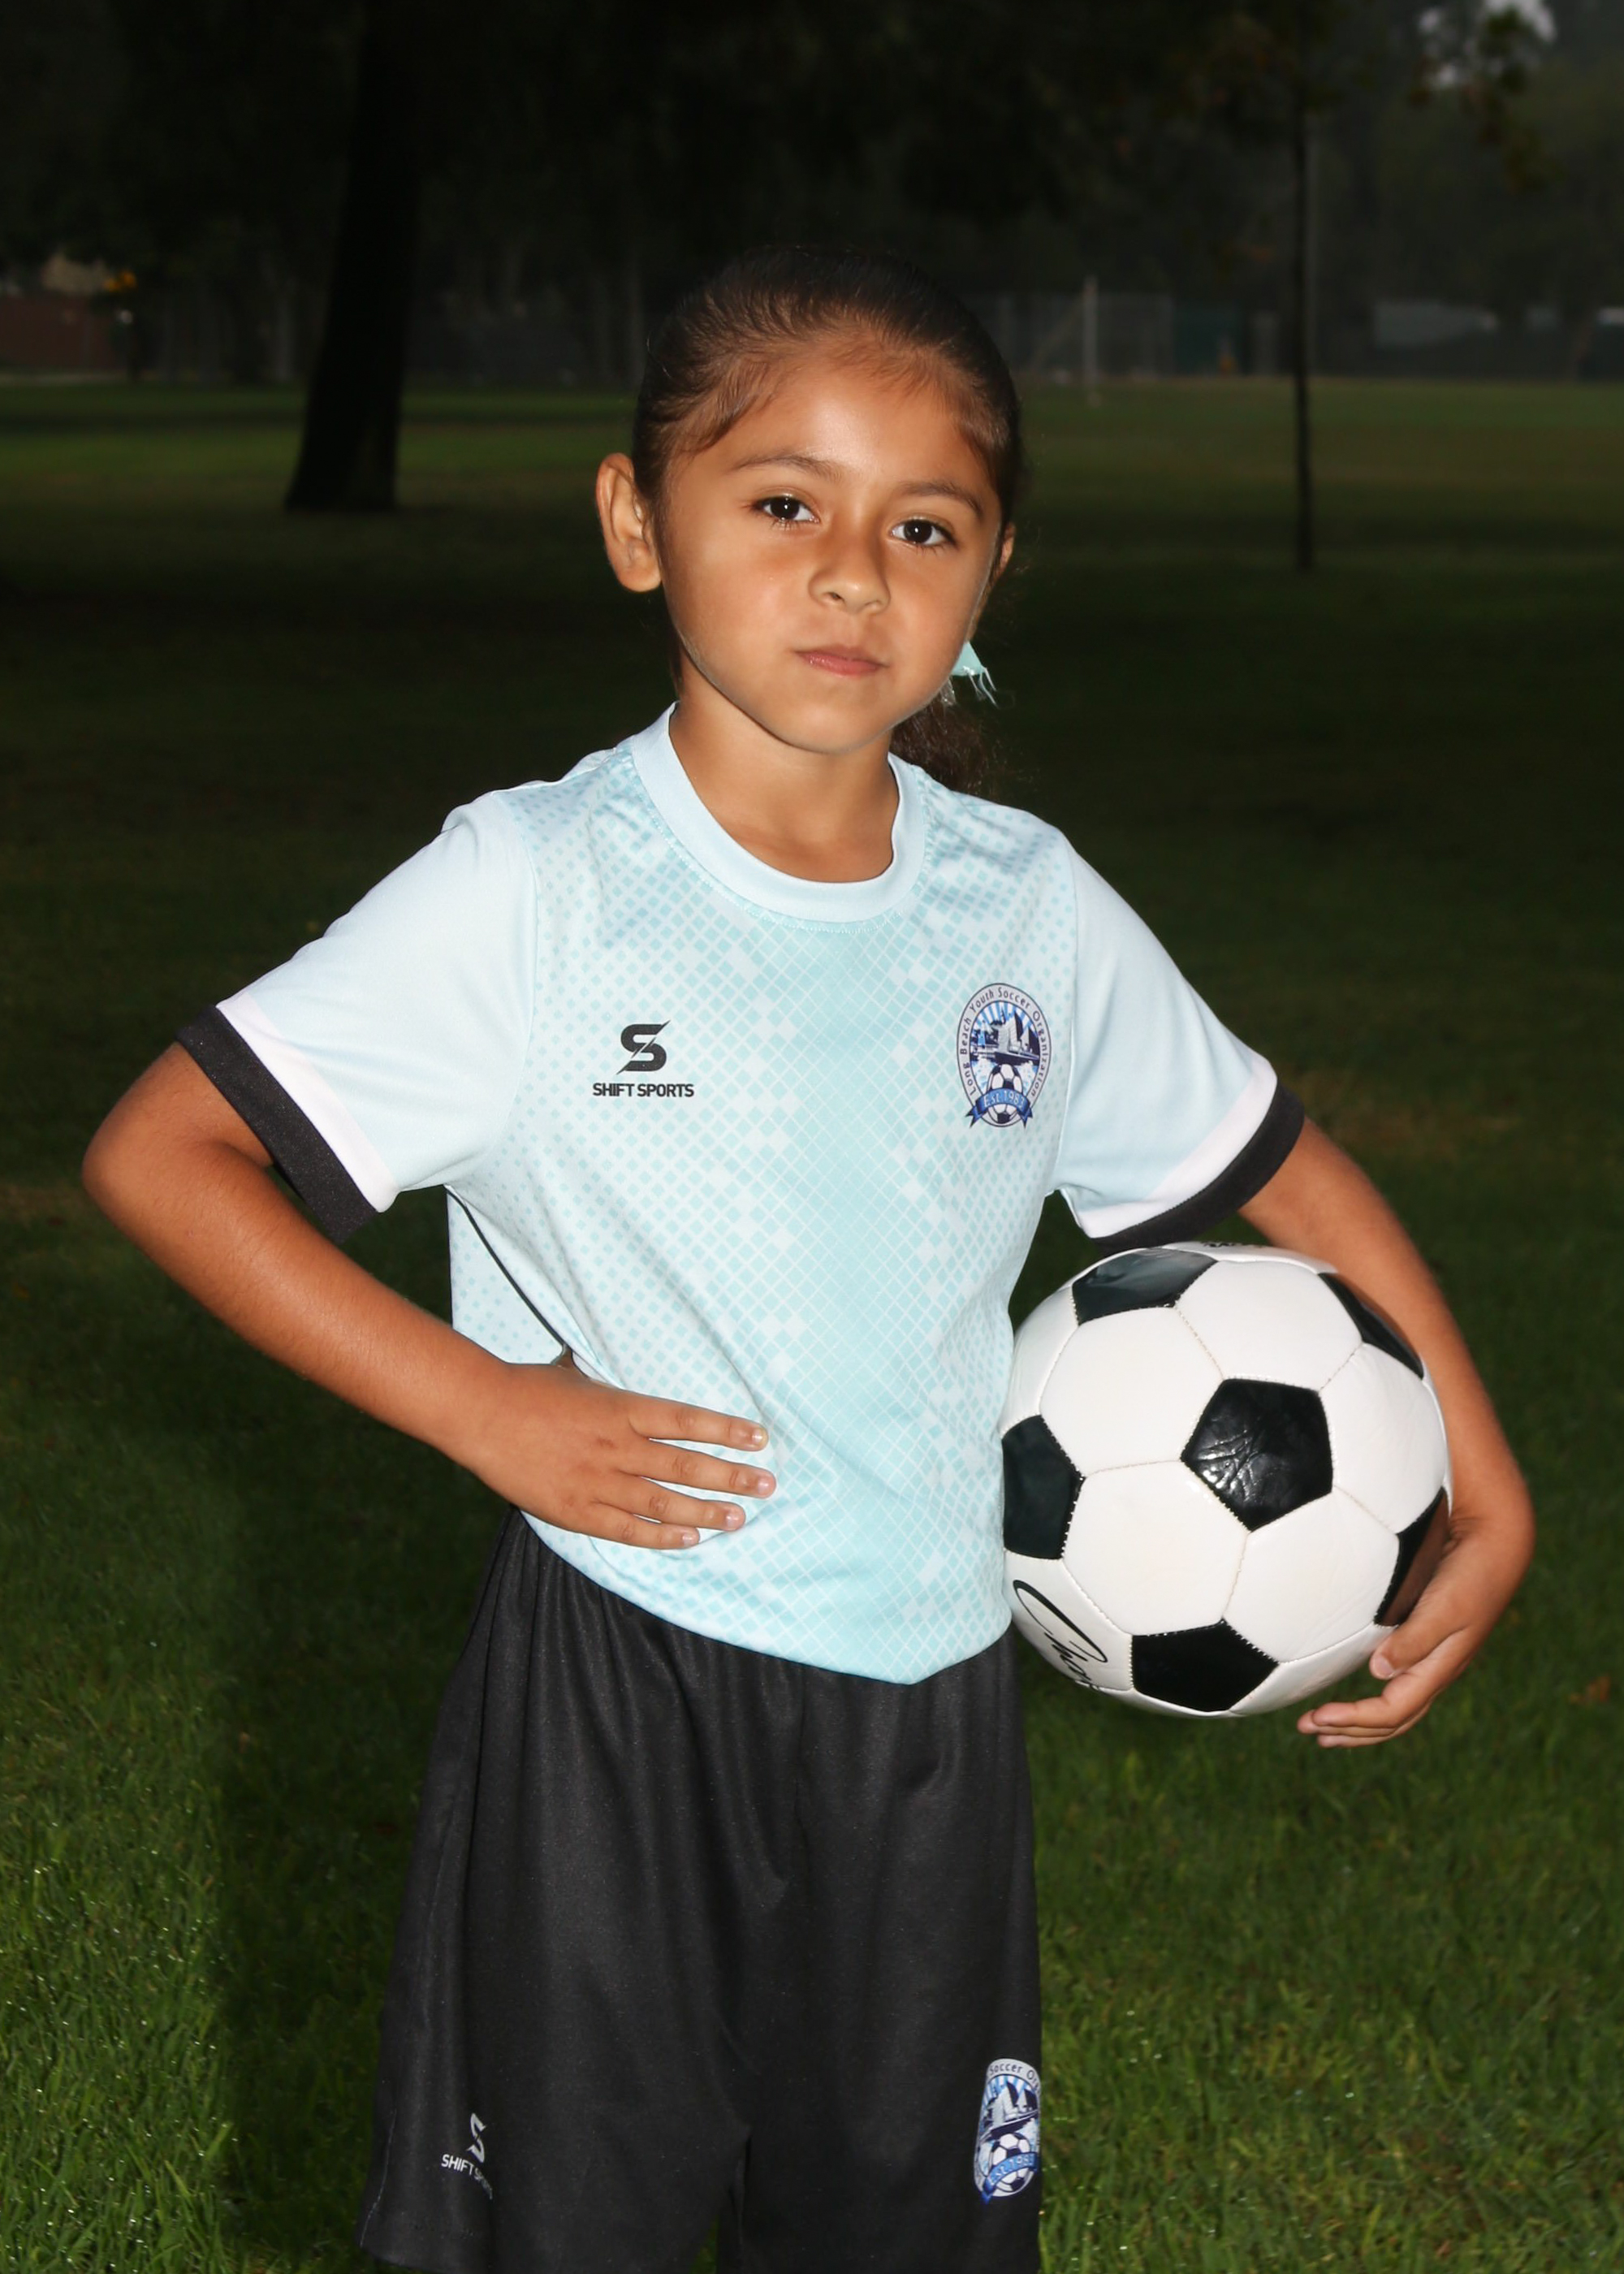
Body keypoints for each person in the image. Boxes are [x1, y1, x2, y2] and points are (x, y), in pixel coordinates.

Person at [83, 247, 1533, 2274]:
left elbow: (1275, 1162)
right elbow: (165, 1151)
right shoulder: (534, 888)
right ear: (635, 521)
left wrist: (1481, 1469)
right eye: (784, 502)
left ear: (993, 568)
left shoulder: (1024, 909)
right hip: (618, 1688)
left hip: (928, 1721)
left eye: (922, 526)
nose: (853, 573)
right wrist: (486, 1406)